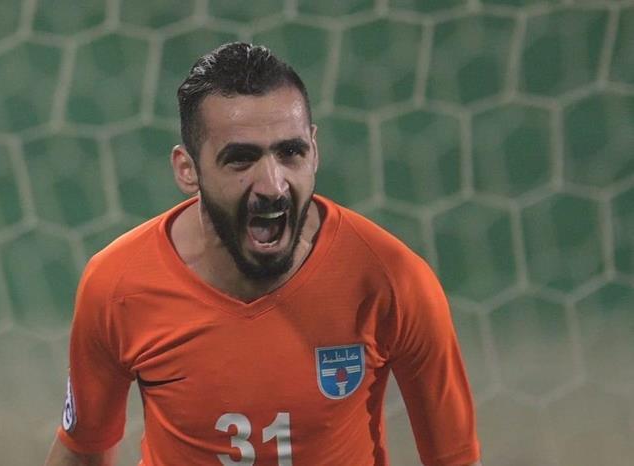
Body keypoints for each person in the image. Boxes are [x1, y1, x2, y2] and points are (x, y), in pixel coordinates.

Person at [44, 42, 482, 466]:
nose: (273, 185)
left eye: (290, 152)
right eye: (240, 159)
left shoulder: (392, 280)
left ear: (314, 151)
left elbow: (455, 460)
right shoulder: (118, 285)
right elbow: (83, 451)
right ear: (187, 169)